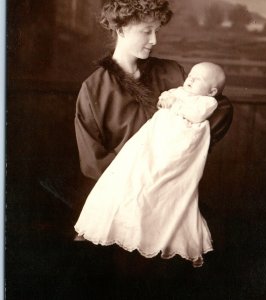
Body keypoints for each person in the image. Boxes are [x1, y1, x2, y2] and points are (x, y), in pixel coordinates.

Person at [74, 61, 226, 267]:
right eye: (190, 75)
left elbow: (198, 114)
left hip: (175, 148)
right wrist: (167, 99)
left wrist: (175, 104)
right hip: (146, 147)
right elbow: (165, 100)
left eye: (197, 79)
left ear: (212, 91)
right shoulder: (94, 86)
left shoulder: (207, 102)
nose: (189, 79)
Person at [74, 0, 233, 183]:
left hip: (173, 184)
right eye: (146, 31)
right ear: (121, 29)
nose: (154, 40)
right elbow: (92, 162)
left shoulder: (171, 73)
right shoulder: (93, 90)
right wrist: (142, 176)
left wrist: (185, 146)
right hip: (124, 191)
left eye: (156, 31)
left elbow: (221, 108)